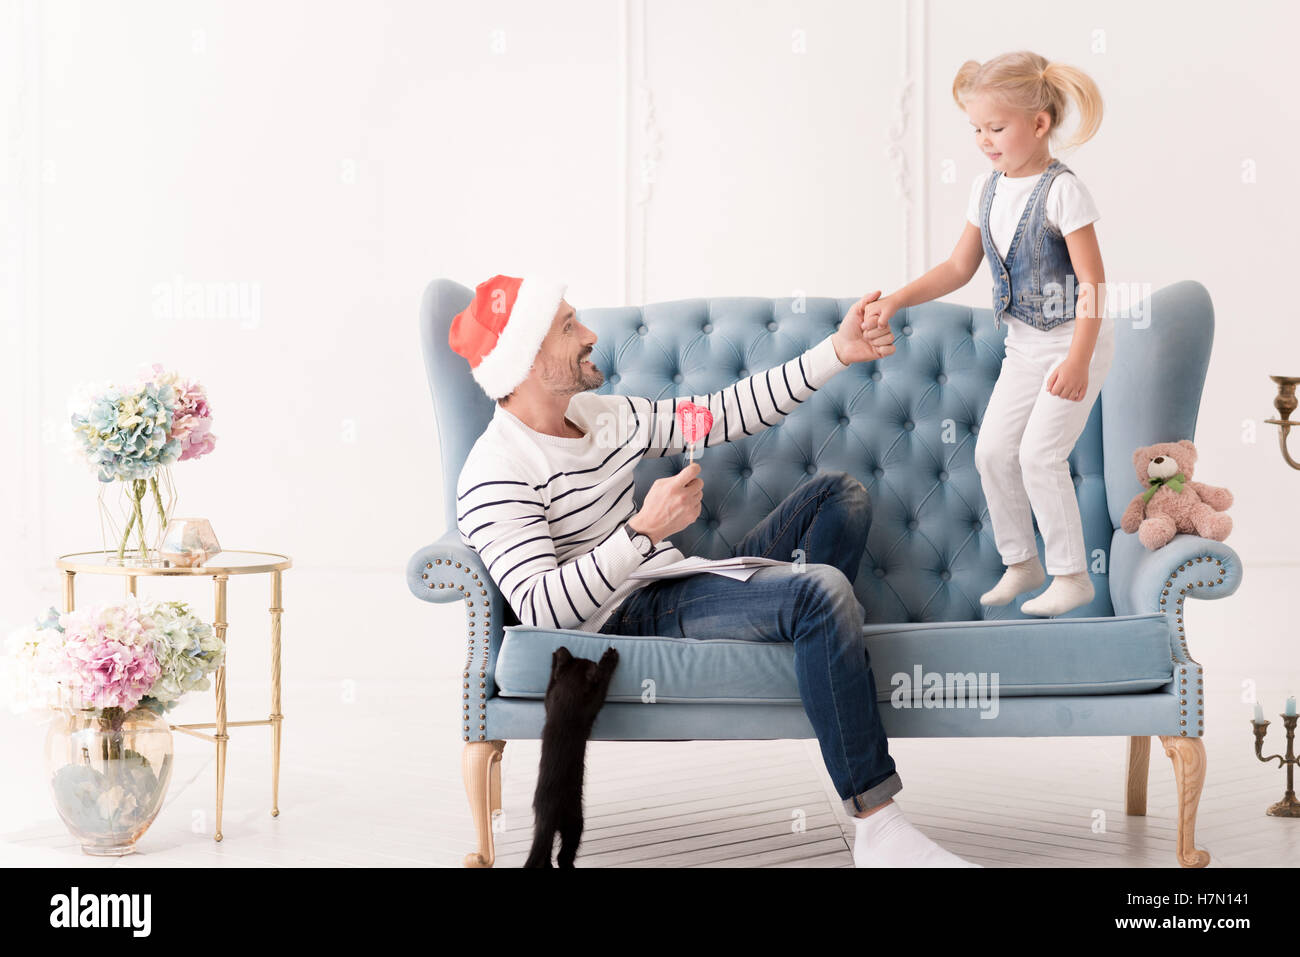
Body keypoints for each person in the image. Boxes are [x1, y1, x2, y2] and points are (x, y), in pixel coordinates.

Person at [449, 274, 978, 867]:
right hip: (623, 619)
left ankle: (809, 641)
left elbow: (720, 414)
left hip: (671, 579)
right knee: (822, 591)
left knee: (842, 497)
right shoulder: (496, 471)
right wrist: (642, 532)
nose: (590, 335)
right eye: (569, 326)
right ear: (526, 359)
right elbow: (543, 610)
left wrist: (837, 350)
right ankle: (879, 827)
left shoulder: (600, 416)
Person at [863, 50, 1111, 617]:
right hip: (1025, 346)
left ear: (1040, 124)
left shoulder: (1063, 191)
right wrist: (898, 298)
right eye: (976, 128)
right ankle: (1022, 562)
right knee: (995, 452)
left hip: (1077, 341)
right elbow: (958, 268)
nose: (983, 139)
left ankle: (1072, 574)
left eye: (996, 127)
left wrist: (1077, 360)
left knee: (1039, 457)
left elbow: (1095, 285)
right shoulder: (987, 188)